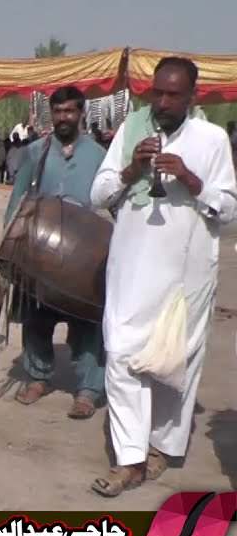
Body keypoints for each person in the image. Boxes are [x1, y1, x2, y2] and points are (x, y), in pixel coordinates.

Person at [88, 56, 237, 496]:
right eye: (158, 93)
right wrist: (133, 169)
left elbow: (229, 212)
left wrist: (191, 180)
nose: (164, 102)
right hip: (132, 265)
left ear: (193, 95)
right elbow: (99, 194)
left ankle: (162, 447)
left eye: (174, 95)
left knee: (176, 362)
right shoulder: (132, 130)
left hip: (187, 270)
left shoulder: (211, 140)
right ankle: (130, 457)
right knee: (119, 353)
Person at [4, 86, 108, 420]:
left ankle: (88, 390)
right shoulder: (37, 150)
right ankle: (37, 377)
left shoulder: (99, 154)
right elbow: (18, 196)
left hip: (84, 255)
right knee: (36, 315)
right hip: (41, 249)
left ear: (81, 114)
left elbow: (112, 200)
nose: (64, 117)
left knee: (89, 322)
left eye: (70, 111)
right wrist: (10, 245)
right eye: (58, 111)